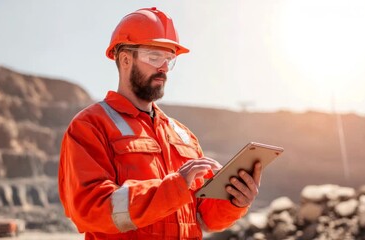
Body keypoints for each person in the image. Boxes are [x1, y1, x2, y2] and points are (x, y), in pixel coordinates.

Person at [58, 7, 262, 240]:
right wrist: (173, 188)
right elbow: (88, 209)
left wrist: (234, 201)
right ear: (125, 59)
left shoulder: (183, 136)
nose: (164, 67)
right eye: (154, 57)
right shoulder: (90, 126)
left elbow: (204, 219)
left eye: (169, 59)